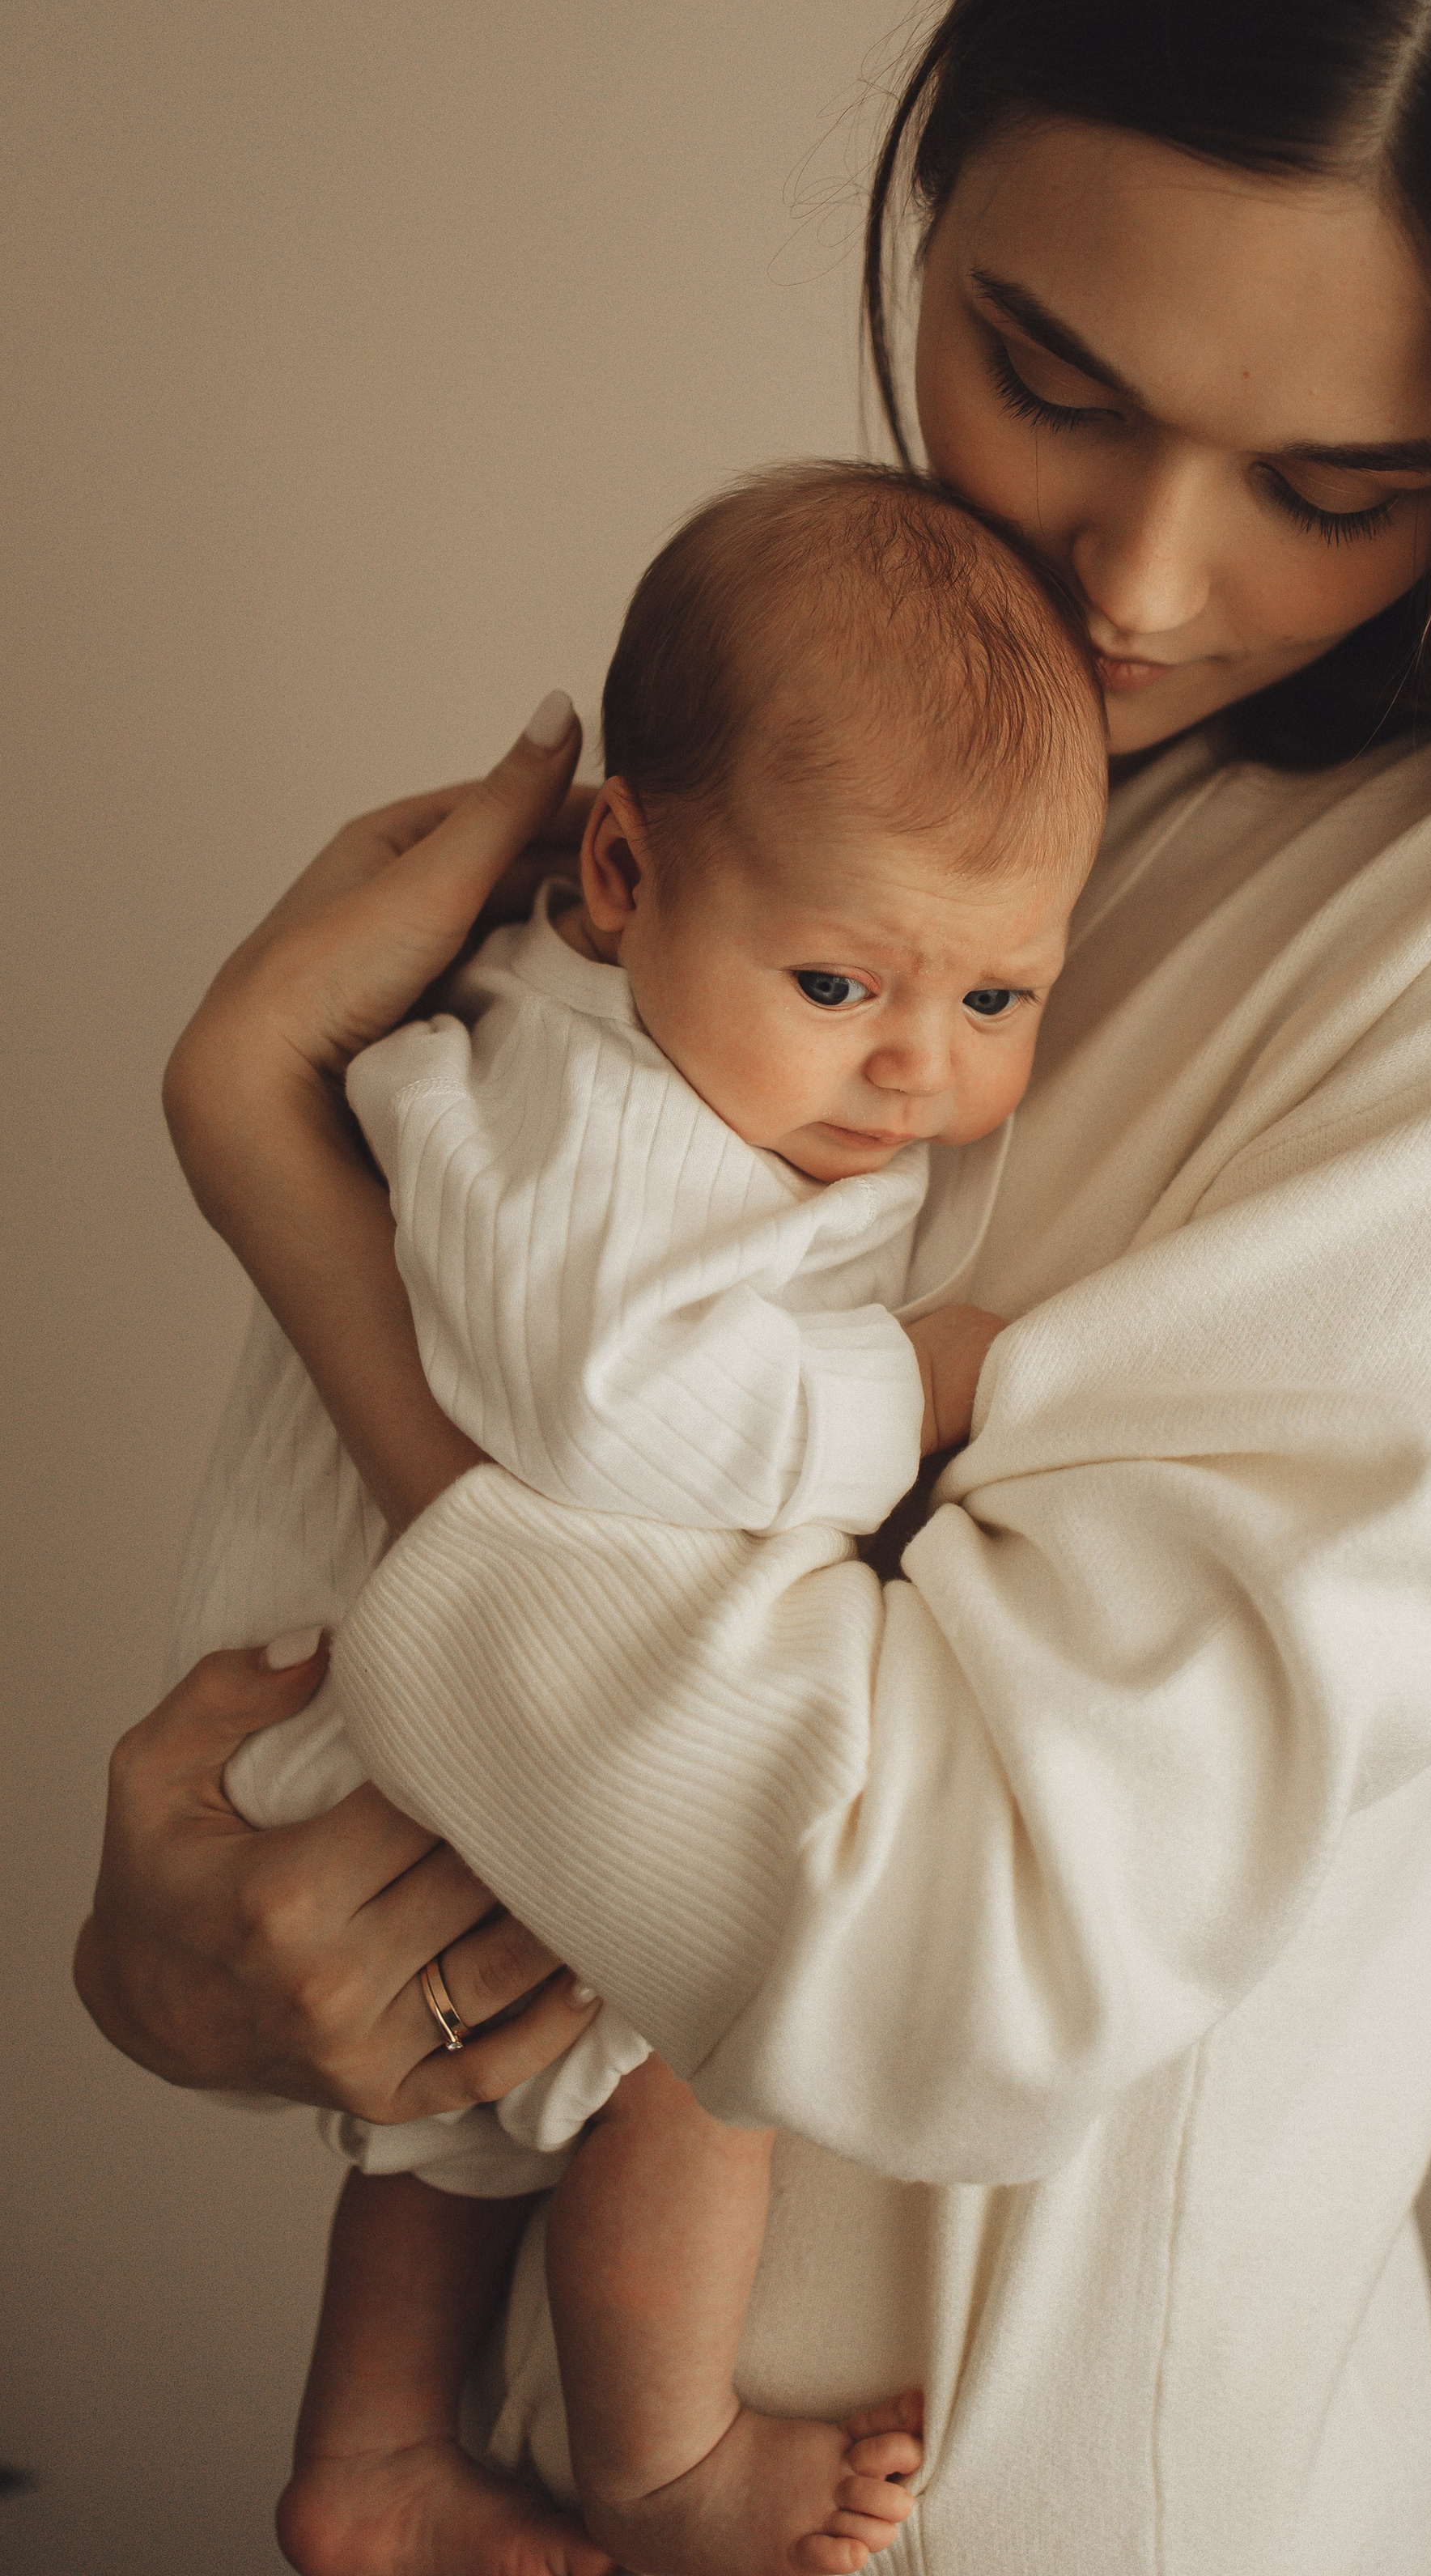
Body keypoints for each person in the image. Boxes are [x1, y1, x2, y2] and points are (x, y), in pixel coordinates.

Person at [77, 0, 1431, 2574]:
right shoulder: (859, 756)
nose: (1141, 577)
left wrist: (278, 1169)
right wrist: (195, 1973)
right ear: (935, 171)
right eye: (1049, 368)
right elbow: (531, 1738)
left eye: (1338, 482)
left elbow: (944, 1957)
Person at [165, 464, 1110, 2576]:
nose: (916, 1071)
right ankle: (666, 2464)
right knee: (718, 2013)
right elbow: (608, 1406)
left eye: (996, 1000)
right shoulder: (593, 1106)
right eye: (844, 984)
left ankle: (369, 2456)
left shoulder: (694, 1045)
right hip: (389, 1690)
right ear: (620, 868)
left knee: (466, 2113)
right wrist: (913, 1382)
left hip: (425, 1678)